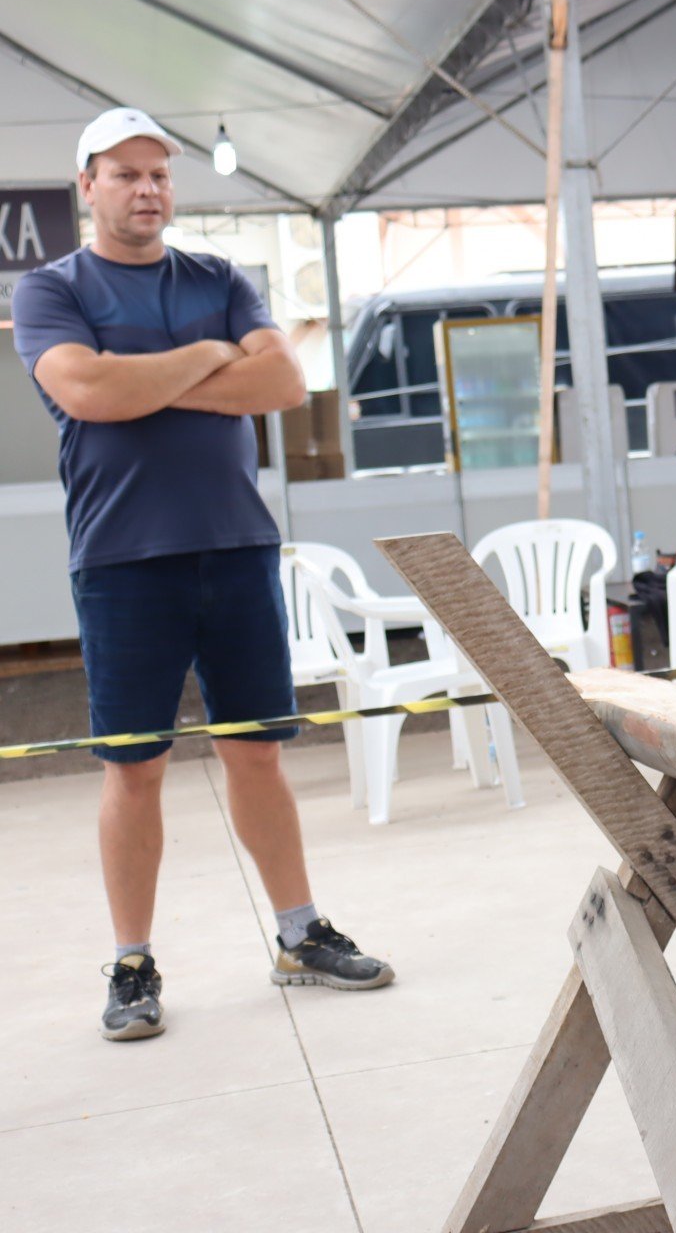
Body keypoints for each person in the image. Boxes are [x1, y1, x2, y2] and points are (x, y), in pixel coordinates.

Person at [12, 108, 393, 1044]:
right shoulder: (49, 290)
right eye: (127, 175)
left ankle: (300, 936)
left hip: (236, 547)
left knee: (255, 752)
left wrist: (139, 379)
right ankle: (132, 963)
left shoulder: (222, 278)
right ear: (87, 186)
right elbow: (85, 392)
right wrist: (206, 359)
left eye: (161, 176)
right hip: (121, 560)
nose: (148, 190)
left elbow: (281, 389)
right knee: (132, 767)